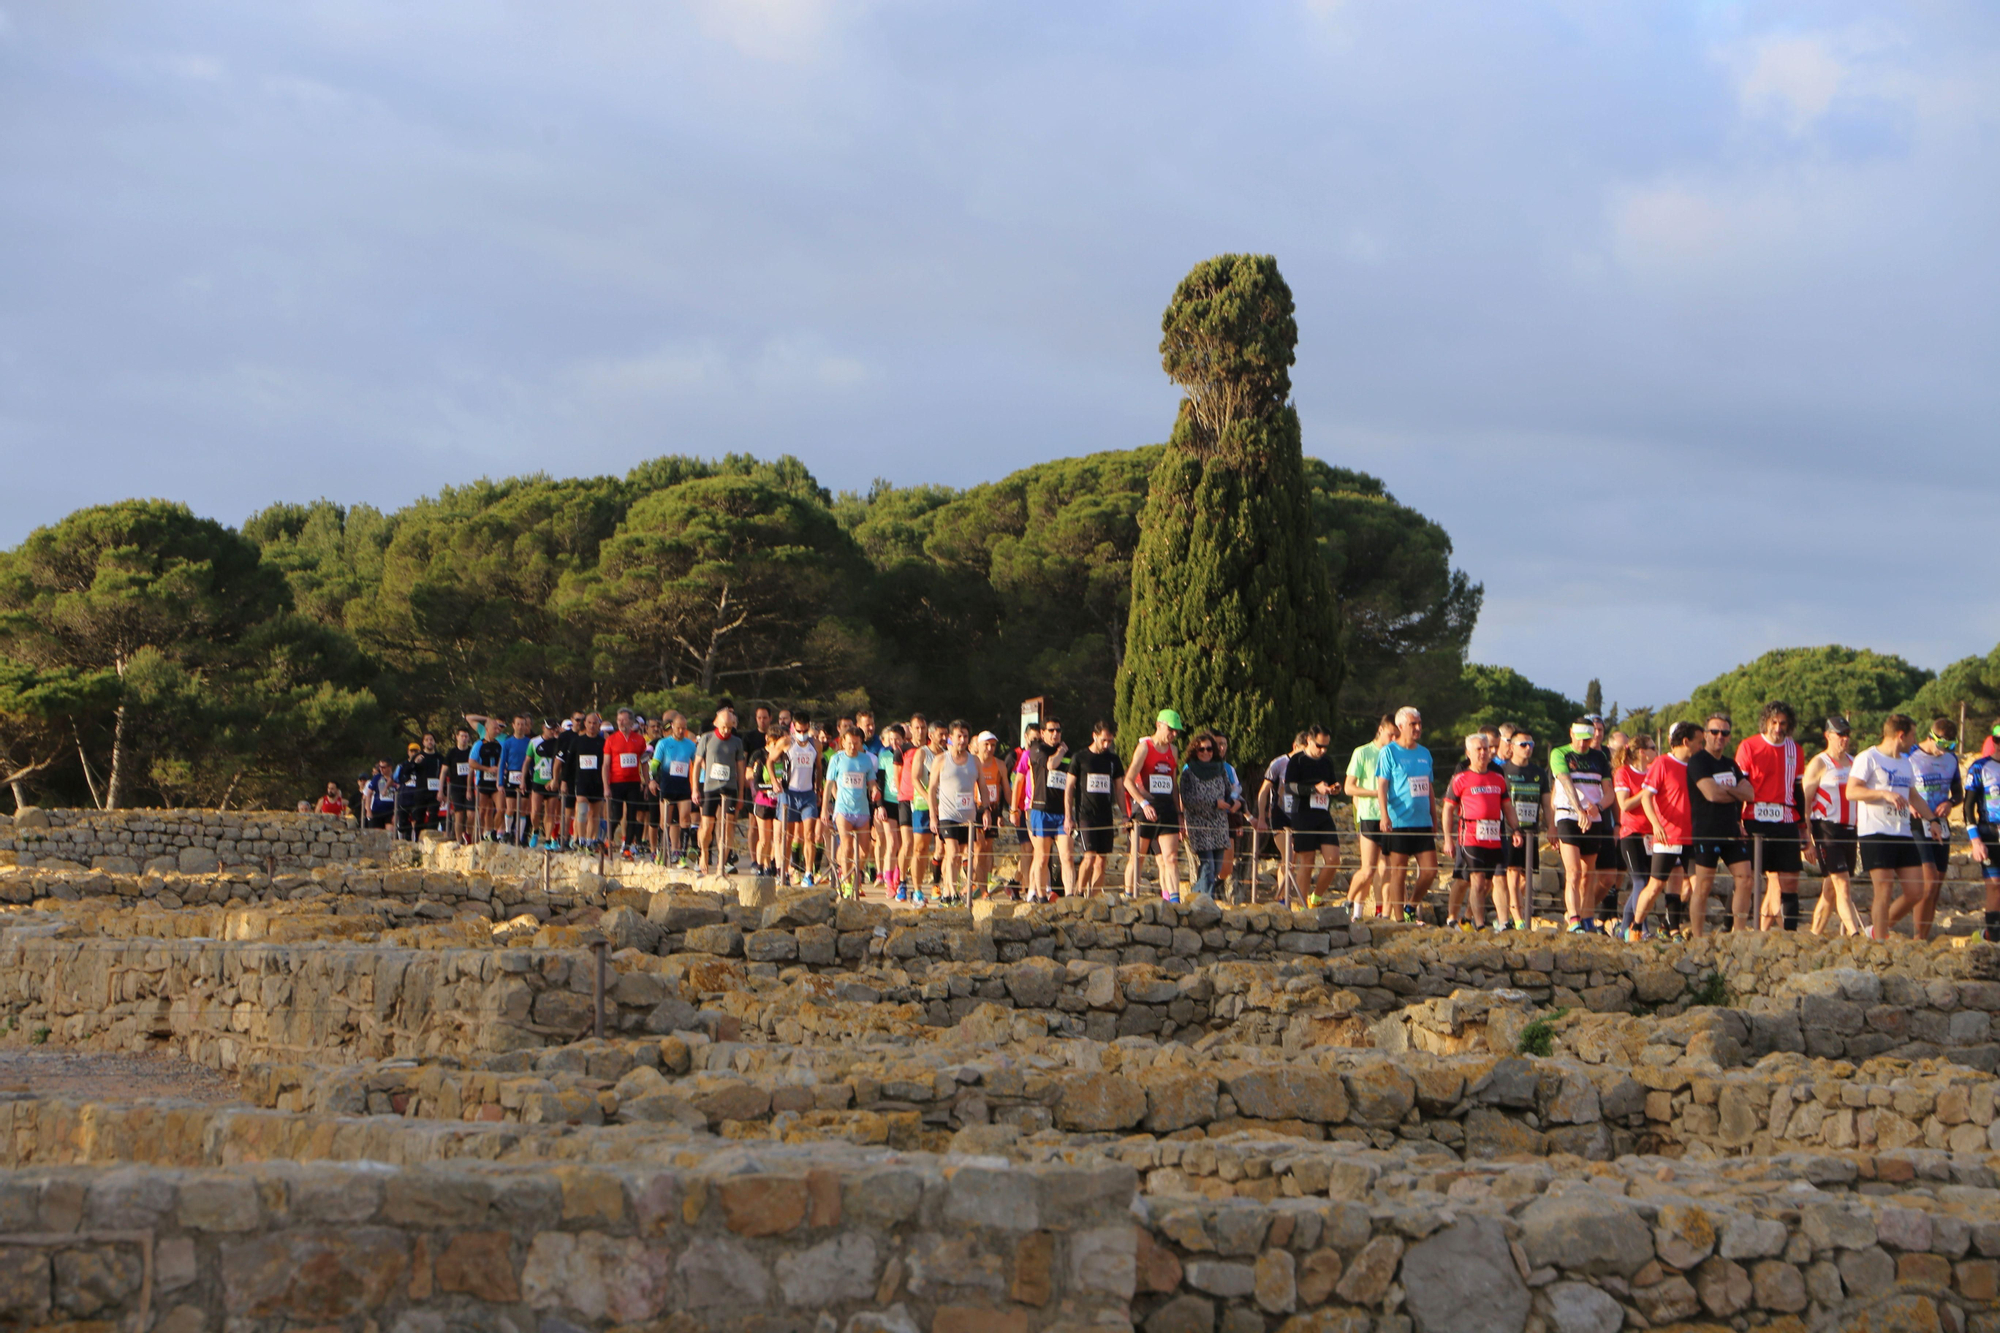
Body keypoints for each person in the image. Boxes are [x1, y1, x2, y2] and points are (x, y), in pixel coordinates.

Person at [1848, 713, 1932, 941]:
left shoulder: (1906, 761)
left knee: (1916, 891)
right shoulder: (1868, 758)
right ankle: (1880, 942)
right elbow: (1852, 791)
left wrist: (1932, 820)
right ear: (1901, 735)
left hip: (1902, 831)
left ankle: (1877, 929)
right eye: (1913, 735)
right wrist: (1883, 793)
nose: (1915, 741)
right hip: (1875, 832)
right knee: (1883, 888)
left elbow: (1913, 795)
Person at [1735, 701, 1806, 930]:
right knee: (1748, 879)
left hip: (1785, 818)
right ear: (1766, 722)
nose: (1778, 728)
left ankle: (1790, 935)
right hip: (1755, 817)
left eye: (1783, 723)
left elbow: (1798, 789)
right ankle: (1734, 929)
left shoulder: (1796, 750)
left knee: (1790, 880)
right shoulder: (1748, 746)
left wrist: (1802, 825)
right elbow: (1739, 786)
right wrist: (1738, 822)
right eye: (1774, 722)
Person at [1686, 712, 1756, 932]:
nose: (1719, 736)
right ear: (1706, 734)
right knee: (1704, 885)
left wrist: (1726, 790)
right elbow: (1712, 795)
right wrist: (1735, 792)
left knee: (1745, 879)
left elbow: (1750, 794)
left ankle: (1739, 932)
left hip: (1732, 830)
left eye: (1724, 733)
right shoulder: (1698, 761)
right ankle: (1698, 938)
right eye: (1714, 732)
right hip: (1707, 831)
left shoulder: (1730, 764)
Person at [1631, 722, 1701, 936]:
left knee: (1697, 886)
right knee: (1655, 886)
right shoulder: (1662, 763)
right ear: (1686, 742)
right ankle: (1635, 928)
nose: (1702, 746)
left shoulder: (1697, 765)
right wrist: (1656, 824)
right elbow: (1646, 798)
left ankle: (1679, 930)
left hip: (1692, 837)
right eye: (1700, 742)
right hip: (1668, 837)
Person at [1442, 732, 1514, 931]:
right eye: (1478, 749)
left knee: (1498, 879)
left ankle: (1504, 922)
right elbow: (1448, 808)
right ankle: (1475, 923)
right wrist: (1448, 839)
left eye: (1486, 748)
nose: (1483, 753)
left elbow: (1507, 807)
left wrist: (1516, 830)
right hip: (1471, 835)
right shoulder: (1460, 777)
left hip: (1495, 835)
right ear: (1468, 753)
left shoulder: (1498, 776)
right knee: (1474, 880)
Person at [1549, 720, 1615, 932]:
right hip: (1568, 816)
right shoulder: (1560, 754)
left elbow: (1609, 792)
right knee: (1574, 872)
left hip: (1592, 818)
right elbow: (1566, 783)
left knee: (1588, 874)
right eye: (1580, 738)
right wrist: (1579, 811)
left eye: (1588, 739)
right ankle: (1574, 919)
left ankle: (1587, 918)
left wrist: (1598, 807)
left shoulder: (1600, 757)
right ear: (1571, 733)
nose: (1584, 743)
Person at [1373, 706, 1438, 922]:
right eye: (1413, 724)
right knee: (1398, 870)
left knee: (1430, 870)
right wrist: (1384, 815)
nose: (1418, 728)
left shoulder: (1425, 753)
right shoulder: (1389, 752)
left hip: (1422, 821)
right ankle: (1399, 919)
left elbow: (1429, 788)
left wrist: (1434, 817)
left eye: (1419, 723)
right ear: (1401, 726)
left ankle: (1411, 905)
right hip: (1399, 820)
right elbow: (1381, 786)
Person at [1901, 718, 1963, 940]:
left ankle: (1923, 938)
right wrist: (1909, 803)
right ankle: (1916, 938)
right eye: (1942, 745)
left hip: (1941, 823)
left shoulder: (1951, 760)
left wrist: (1950, 803)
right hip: (1916, 822)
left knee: (1937, 886)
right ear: (1931, 738)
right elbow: (1897, 784)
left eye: (1951, 746)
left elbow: (1958, 793)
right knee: (1928, 885)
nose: (1945, 751)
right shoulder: (1910, 755)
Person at [1803, 716, 1864, 936]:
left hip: (1850, 829)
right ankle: (1855, 934)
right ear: (1828, 736)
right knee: (1843, 885)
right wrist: (1806, 840)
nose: (1844, 739)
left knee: (1830, 888)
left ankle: (1814, 934)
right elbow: (1806, 804)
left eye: (1847, 735)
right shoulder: (1819, 763)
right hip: (1827, 829)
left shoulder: (1855, 762)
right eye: (1840, 735)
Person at [1125, 710, 1187, 901]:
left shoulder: (1173, 751)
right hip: (1145, 809)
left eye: (1176, 731)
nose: (1173, 735)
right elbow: (1128, 781)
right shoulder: (1145, 747)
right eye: (1171, 729)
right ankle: (1129, 898)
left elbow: (1173, 784)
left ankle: (1174, 901)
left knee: (1171, 858)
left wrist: (1179, 813)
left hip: (1166, 809)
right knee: (1138, 857)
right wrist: (1143, 804)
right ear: (1159, 724)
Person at [1284, 725, 1342, 906]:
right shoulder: (1297, 761)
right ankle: (1302, 905)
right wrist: (1313, 789)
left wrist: (1335, 789)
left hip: (1323, 814)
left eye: (1326, 747)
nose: (1323, 750)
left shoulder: (1327, 762)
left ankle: (1315, 897)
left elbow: (1332, 783)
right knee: (1307, 859)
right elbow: (1289, 787)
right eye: (1319, 746)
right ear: (1309, 740)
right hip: (1303, 813)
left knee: (1333, 859)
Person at [1497, 730, 1547, 929]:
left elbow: (1547, 802)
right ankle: (1517, 916)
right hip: (1509, 830)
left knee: (1527, 875)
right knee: (1513, 872)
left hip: (1531, 829)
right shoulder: (1502, 771)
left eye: (1531, 745)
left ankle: (1515, 907)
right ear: (1511, 747)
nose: (1528, 749)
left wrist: (1551, 827)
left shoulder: (1539, 772)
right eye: (1523, 745)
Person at [1343, 718, 1394, 915]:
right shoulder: (1362, 752)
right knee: (1368, 870)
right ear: (1380, 730)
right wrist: (1376, 793)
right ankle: (1350, 904)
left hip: (1391, 816)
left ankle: (1383, 912)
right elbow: (1349, 787)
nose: (1393, 739)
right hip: (1370, 815)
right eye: (1391, 735)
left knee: (1387, 869)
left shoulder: (1395, 754)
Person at [927, 721, 981, 903]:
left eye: (965, 736)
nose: (963, 740)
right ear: (951, 737)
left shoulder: (975, 760)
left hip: (968, 816)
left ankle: (952, 887)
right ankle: (950, 891)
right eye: (959, 736)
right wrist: (933, 816)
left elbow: (982, 787)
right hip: (947, 814)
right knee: (952, 851)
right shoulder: (941, 759)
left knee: (964, 855)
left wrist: (987, 810)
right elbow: (931, 788)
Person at [1021, 720, 1074, 900]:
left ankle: (1070, 896)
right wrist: (1060, 751)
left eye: (1058, 730)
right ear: (1043, 733)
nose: (1055, 734)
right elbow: (1051, 764)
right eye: (1051, 730)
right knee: (1042, 857)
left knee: (1067, 855)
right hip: (1041, 810)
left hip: (1061, 813)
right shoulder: (1037, 749)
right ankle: (1041, 895)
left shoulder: (1068, 753)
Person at [1612, 734, 1658, 939]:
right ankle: (1642, 928)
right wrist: (1646, 792)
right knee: (1639, 881)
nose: (1656, 752)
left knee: (1647, 883)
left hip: (1650, 835)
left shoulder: (1653, 772)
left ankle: (1624, 929)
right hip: (1631, 834)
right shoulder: (1624, 773)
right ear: (1642, 752)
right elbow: (1625, 805)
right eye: (1653, 748)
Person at [822, 727, 876, 898]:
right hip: (843, 810)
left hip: (862, 809)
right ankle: (847, 883)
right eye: (849, 743)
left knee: (864, 850)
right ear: (843, 742)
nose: (852, 746)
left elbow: (871, 781)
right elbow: (829, 785)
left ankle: (853, 874)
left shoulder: (866, 760)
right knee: (846, 846)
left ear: (861, 743)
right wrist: (825, 809)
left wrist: (874, 789)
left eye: (856, 743)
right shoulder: (836, 759)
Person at [1180, 732, 1235, 899]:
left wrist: (1232, 802)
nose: (1205, 752)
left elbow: (1228, 791)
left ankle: (1194, 895)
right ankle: (1206, 903)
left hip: (1219, 824)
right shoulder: (1188, 773)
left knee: (1217, 868)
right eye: (1201, 749)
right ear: (1194, 751)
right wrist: (1213, 803)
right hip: (1199, 824)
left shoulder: (1220, 770)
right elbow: (1188, 800)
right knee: (1208, 866)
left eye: (1209, 749)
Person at [693, 707, 747, 874]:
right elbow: (696, 765)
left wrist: (741, 794)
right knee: (707, 824)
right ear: (716, 723)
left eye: (729, 728)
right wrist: (695, 788)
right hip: (710, 788)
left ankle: (722, 863)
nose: (726, 731)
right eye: (723, 727)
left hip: (730, 788)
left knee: (728, 826)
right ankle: (704, 853)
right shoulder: (707, 739)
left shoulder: (736, 742)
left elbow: (740, 769)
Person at [1069, 722, 1121, 893]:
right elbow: (1069, 787)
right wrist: (1068, 815)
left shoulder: (1113, 759)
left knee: (1101, 859)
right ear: (1094, 736)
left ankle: (1095, 897)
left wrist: (1125, 814)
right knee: (1089, 856)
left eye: (1110, 741)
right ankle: (1078, 892)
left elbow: (1119, 788)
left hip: (1106, 815)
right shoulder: (1080, 757)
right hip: (1086, 814)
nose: (1107, 745)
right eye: (1103, 740)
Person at [1966, 723, 2000, 942]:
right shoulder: (1980, 767)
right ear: (1995, 742)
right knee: (1995, 887)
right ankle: (1992, 934)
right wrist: (1975, 840)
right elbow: (1968, 806)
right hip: (1989, 832)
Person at [602, 708, 649, 858]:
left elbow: (644, 763)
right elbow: (606, 765)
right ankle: (606, 840)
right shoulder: (611, 740)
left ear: (631, 721)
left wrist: (647, 783)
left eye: (624, 719)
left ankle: (627, 846)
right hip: (616, 782)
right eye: (619, 720)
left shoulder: (640, 740)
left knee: (632, 815)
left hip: (634, 782)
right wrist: (606, 786)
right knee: (616, 814)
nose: (621, 722)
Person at [652, 712, 698, 865]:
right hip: (667, 786)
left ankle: (681, 854)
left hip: (683, 787)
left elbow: (697, 764)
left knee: (685, 819)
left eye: (683, 729)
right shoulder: (663, 744)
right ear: (672, 726)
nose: (681, 731)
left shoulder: (690, 745)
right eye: (678, 728)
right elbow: (655, 764)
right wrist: (653, 780)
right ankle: (661, 851)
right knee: (665, 820)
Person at [972, 731, 1008, 896]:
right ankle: (981, 887)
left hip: (992, 809)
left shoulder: (1000, 764)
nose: (990, 748)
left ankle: (983, 883)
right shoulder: (971, 762)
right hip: (974, 808)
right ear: (978, 746)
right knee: (978, 848)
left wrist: (1014, 808)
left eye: (993, 745)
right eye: (986, 744)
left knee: (987, 848)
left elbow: (1006, 789)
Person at [498, 714, 535, 846]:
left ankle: (519, 836)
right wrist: (500, 782)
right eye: (518, 724)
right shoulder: (507, 742)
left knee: (523, 809)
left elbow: (532, 763)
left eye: (523, 724)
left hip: (525, 777)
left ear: (526, 726)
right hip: (511, 776)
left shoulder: (529, 743)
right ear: (513, 725)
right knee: (510, 807)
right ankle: (508, 832)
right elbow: (502, 762)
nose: (520, 727)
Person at [527, 720, 561, 849]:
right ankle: (535, 831)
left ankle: (548, 839)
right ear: (543, 728)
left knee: (551, 812)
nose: (552, 731)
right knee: (535, 811)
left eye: (554, 729)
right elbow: (527, 761)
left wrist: (556, 780)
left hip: (552, 782)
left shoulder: (558, 742)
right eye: (549, 729)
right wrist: (524, 780)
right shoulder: (534, 742)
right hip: (538, 781)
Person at [442, 727, 475, 842]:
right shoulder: (452, 753)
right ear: (457, 737)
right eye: (462, 736)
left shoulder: (472, 751)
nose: (464, 739)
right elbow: (443, 772)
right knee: (459, 815)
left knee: (471, 814)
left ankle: (468, 835)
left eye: (466, 736)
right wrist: (440, 791)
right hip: (456, 788)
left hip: (470, 787)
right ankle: (458, 840)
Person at [362, 760, 396, 830]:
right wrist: (368, 811)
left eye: (383, 767)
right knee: (377, 834)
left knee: (390, 833)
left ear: (390, 767)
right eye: (380, 767)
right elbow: (369, 794)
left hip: (391, 811)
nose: (381, 769)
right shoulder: (377, 777)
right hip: (377, 810)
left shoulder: (396, 778)